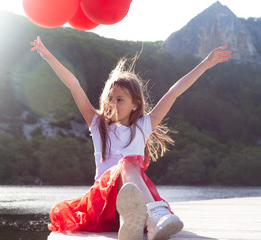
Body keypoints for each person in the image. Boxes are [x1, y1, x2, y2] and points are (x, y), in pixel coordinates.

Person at [30, 36, 231, 240]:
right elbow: (74, 85)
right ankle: (154, 215)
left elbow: (173, 93)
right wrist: (48, 57)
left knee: (129, 167)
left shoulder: (143, 126)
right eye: (110, 98)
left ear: (135, 104)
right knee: (127, 164)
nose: (112, 103)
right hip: (103, 203)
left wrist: (205, 64)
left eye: (120, 100)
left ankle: (136, 221)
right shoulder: (98, 123)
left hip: (136, 201)